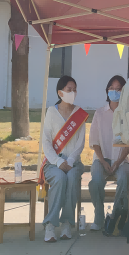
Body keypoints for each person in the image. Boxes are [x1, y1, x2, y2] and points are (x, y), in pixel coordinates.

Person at [40, 76, 86, 243]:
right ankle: (50, 225)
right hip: (54, 162)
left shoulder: (79, 114)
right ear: (60, 93)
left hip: (74, 163)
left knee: (72, 177)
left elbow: (80, 142)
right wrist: (58, 162)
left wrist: (71, 161)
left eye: (74, 89)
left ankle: (67, 223)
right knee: (60, 178)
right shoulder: (51, 112)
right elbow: (46, 141)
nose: (72, 92)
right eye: (69, 89)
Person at [88, 75, 129, 231]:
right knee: (96, 181)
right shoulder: (99, 113)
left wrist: (118, 162)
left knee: (124, 178)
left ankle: (115, 215)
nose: (114, 92)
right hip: (101, 158)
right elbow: (94, 141)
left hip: (121, 159)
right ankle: (99, 215)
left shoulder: (127, 114)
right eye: (111, 88)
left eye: (118, 89)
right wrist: (103, 161)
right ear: (107, 90)